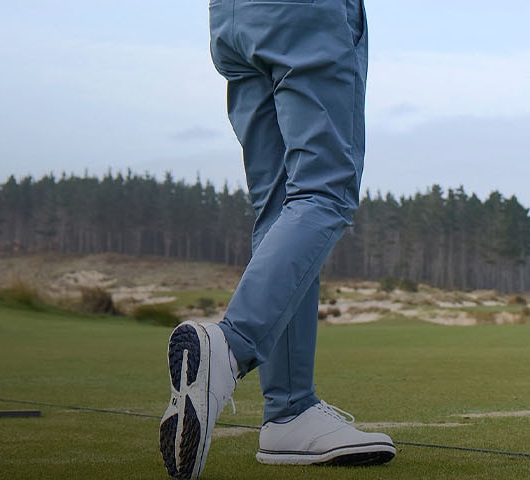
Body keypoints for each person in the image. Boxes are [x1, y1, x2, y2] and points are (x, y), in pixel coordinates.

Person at [159, 0, 387, 478]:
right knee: (325, 192)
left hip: (233, 19)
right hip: (304, 14)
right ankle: (228, 349)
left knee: (282, 204)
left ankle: (289, 413)